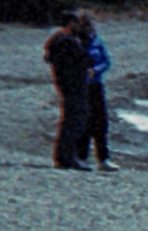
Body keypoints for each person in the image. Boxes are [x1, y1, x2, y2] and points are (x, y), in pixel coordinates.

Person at [42, 9, 119, 171]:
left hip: (83, 84)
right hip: (74, 85)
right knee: (75, 121)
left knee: (91, 120)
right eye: (81, 24)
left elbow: (102, 60)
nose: (85, 27)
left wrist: (94, 68)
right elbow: (83, 60)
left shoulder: (68, 40)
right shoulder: (67, 40)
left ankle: (75, 157)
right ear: (73, 24)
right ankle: (71, 157)